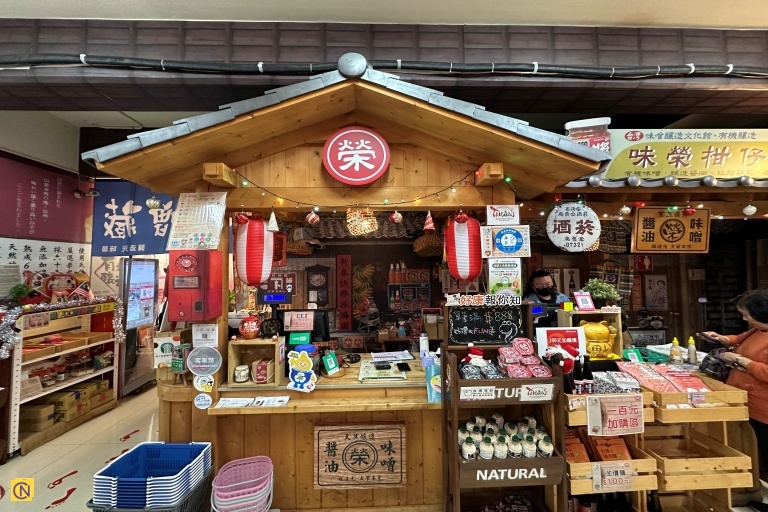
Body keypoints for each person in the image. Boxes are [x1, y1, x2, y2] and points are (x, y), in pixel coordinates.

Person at [702, 289, 768, 488]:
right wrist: (723, 339)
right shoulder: (758, 330)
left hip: (763, 407)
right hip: (745, 401)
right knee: (755, 452)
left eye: (746, 314)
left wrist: (740, 360)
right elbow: (739, 338)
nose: (744, 318)